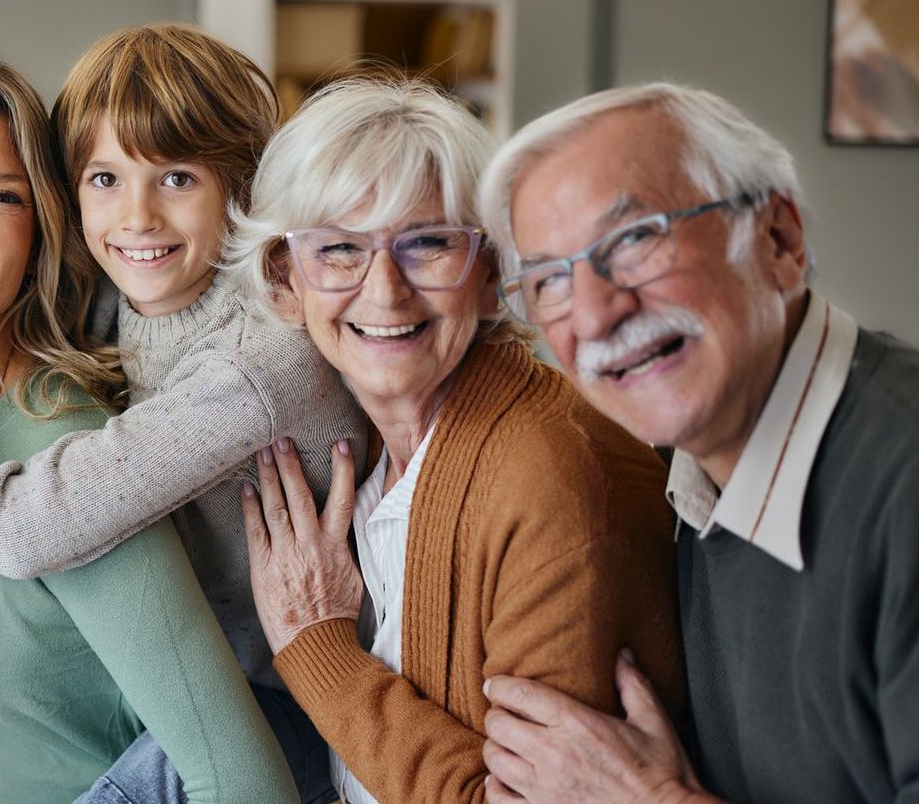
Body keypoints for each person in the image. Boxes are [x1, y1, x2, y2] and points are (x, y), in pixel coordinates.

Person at [0, 24, 362, 804]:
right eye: (105, 179)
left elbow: (36, 525)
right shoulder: (107, 297)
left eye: (179, 178)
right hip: (225, 664)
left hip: (304, 706)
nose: (139, 216)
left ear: (240, 183)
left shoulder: (261, 358)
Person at [226, 76, 685, 804]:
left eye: (429, 244)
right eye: (340, 249)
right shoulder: (353, 447)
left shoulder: (549, 482)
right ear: (286, 279)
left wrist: (315, 648)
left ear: (489, 272)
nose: (384, 291)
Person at [475, 83, 919, 804]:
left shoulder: (902, 480)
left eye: (634, 239)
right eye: (550, 280)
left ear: (780, 239)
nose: (592, 314)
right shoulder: (674, 483)